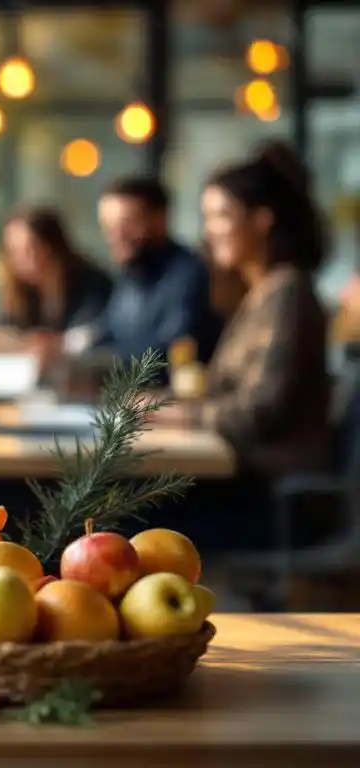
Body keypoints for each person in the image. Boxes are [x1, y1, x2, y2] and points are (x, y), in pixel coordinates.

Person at [152, 142, 331, 550]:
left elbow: (259, 412)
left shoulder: (288, 293)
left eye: (221, 215)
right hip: (248, 481)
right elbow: (223, 395)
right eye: (206, 217)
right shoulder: (259, 294)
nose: (209, 230)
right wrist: (159, 405)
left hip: (273, 499)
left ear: (262, 219)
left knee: (118, 512)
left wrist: (176, 416)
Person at [89, 177, 223, 377]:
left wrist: (99, 361)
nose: (116, 236)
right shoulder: (130, 274)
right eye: (108, 226)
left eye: (127, 223)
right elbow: (107, 331)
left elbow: (168, 352)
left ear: (161, 218)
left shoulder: (188, 275)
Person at [0, 206, 112, 333]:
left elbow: (93, 331)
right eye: (12, 251)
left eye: (30, 249)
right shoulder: (18, 294)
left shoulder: (93, 285)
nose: (19, 259)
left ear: (53, 246)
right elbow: (3, 330)